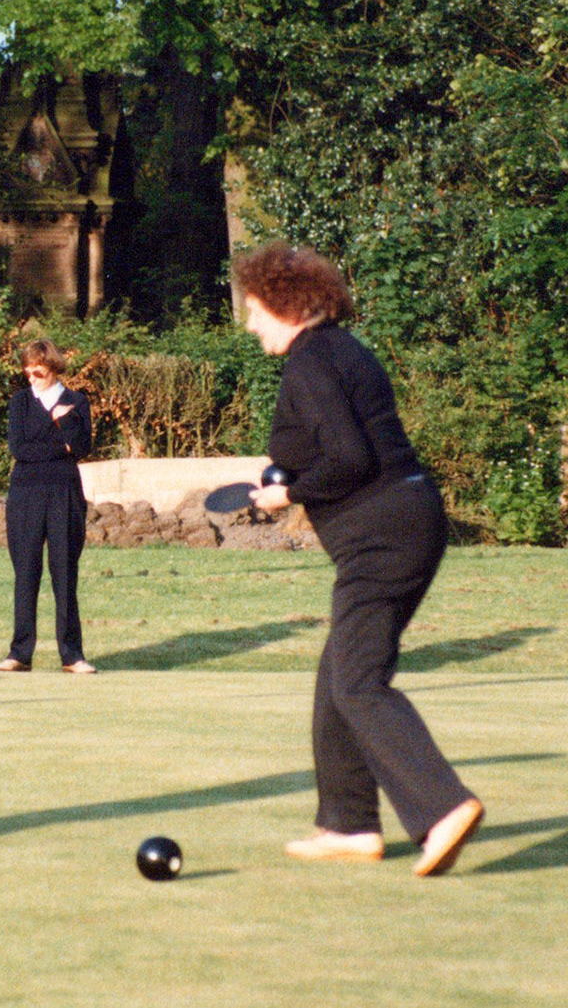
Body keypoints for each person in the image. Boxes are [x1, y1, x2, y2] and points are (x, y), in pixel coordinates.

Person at [234, 242, 484, 877]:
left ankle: (442, 807)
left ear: (284, 305)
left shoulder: (308, 364)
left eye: (255, 309)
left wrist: (286, 492)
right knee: (338, 677)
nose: (249, 322)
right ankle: (347, 825)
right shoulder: (344, 350)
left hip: (383, 532)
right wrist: (284, 470)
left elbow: (348, 460)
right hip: (404, 519)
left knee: (357, 680)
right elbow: (340, 444)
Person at [0, 338, 97, 675]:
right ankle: (20, 652)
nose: (30, 375)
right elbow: (19, 450)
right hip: (25, 495)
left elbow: (80, 447)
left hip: (64, 494)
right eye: (26, 369)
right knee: (25, 573)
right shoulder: (20, 403)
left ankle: (72, 655)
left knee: (65, 573)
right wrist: (57, 432)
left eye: (36, 369)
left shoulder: (77, 402)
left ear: (52, 367)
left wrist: (64, 425)